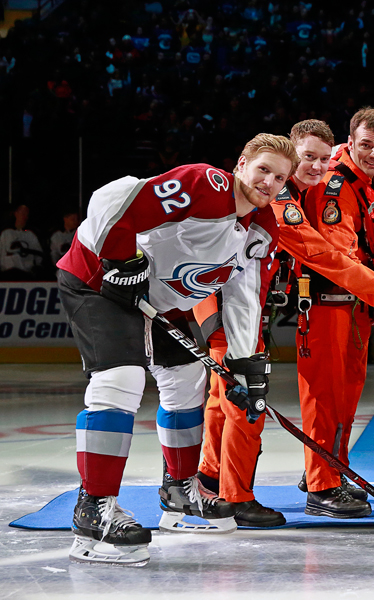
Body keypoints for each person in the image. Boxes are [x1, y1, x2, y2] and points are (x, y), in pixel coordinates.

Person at [56, 133, 298, 566]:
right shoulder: (207, 185)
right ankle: (93, 510)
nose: (269, 181)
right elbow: (114, 197)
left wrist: (244, 363)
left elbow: (243, 295)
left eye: (279, 177)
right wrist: (121, 259)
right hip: (98, 279)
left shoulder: (261, 228)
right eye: (262, 169)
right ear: (241, 163)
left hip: (158, 300)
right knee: (120, 380)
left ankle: (180, 492)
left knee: (189, 380)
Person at [193, 120, 374, 527]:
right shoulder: (281, 199)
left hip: (243, 303)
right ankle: (234, 498)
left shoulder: (315, 182)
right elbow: (323, 254)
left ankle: (209, 482)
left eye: (325, 158)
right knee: (242, 399)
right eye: (308, 159)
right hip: (225, 304)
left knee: (227, 397)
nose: (320, 166)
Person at [296, 108, 374, 519]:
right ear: (350, 144)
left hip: (353, 303)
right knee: (325, 396)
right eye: (366, 146)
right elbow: (338, 253)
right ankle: (321, 486)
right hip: (326, 302)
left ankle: (329, 470)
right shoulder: (333, 185)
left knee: (348, 392)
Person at [0, 204, 44, 280]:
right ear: (15, 213)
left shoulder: (31, 234)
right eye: (22, 213)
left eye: (27, 214)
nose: (25, 216)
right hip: (7, 273)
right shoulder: (6, 233)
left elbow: (38, 255)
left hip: (26, 273)